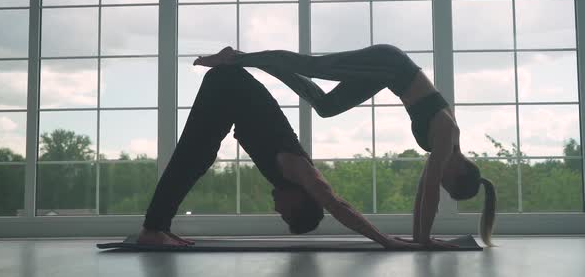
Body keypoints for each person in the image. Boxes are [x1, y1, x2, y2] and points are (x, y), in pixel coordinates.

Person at [194, 44, 497, 247]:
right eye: (448, 184)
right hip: (389, 63)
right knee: (313, 66)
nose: (441, 180)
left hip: (385, 75)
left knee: (326, 106)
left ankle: (249, 60)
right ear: (459, 171)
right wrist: (426, 241)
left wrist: (420, 240)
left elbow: (423, 190)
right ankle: (235, 57)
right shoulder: (447, 132)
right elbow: (430, 188)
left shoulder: (445, 147)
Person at [137, 63, 428, 249]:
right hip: (229, 86)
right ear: (302, 199)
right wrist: (385, 240)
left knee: (195, 160)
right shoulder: (301, 172)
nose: (277, 210)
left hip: (229, 91)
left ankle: (158, 227)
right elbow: (339, 206)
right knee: (191, 159)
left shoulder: (287, 177)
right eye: (286, 212)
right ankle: (153, 229)